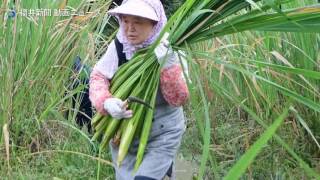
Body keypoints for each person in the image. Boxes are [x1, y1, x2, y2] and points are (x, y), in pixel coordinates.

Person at [89, 0, 189, 179]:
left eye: (138, 21)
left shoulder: (171, 50)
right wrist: (106, 101)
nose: (130, 28)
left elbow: (178, 99)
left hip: (163, 132)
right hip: (125, 132)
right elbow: (98, 77)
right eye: (126, 21)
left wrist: (168, 65)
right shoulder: (119, 46)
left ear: (154, 23)